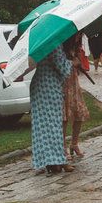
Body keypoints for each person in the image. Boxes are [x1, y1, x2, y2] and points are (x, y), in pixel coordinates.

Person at [30, 43, 75, 175]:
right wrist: (72, 63)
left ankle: (50, 161)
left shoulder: (42, 42)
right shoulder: (54, 44)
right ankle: (57, 160)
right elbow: (61, 66)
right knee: (53, 125)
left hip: (40, 83)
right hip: (49, 85)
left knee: (43, 126)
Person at [62, 34, 91, 159]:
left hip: (74, 82)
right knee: (64, 116)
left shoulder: (75, 47)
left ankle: (74, 143)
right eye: (77, 34)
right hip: (63, 83)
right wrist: (72, 62)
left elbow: (78, 63)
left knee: (79, 112)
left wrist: (79, 62)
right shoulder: (62, 47)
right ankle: (62, 146)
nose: (79, 36)